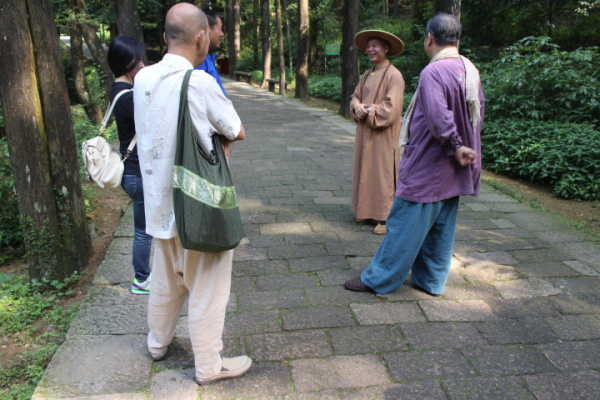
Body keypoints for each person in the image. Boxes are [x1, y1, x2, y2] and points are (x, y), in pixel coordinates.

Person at [133, 3, 251, 385]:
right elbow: (236, 128)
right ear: (201, 37)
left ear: (165, 36)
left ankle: (157, 344)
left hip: (158, 205)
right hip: (197, 205)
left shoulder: (142, 78)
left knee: (166, 282)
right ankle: (209, 365)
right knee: (208, 287)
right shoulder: (199, 82)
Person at [344, 13, 484, 296]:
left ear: (429, 38)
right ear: (457, 40)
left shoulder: (433, 72)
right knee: (440, 228)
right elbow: (476, 115)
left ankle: (379, 278)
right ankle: (431, 280)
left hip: (428, 164)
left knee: (402, 223)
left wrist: (455, 145)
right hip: (454, 168)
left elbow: (438, 116)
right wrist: (462, 149)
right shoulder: (469, 69)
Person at [107, 36, 153, 295]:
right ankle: (141, 279)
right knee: (144, 232)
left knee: (143, 229)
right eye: (139, 61)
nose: (143, 66)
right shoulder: (128, 97)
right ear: (126, 63)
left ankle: (144, 276)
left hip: (133, 173)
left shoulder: (118, 91)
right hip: (138, 174)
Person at [350, 30, 405, 235]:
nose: (370, 49)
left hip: (384, 136)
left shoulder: (394, 75)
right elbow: (355, 96)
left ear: (386, 48)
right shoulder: (367, 74)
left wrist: (368, 110)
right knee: (366, 170)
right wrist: (356, 106)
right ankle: (367, 211)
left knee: (383, 174)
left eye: (375, 45)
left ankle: (386, 217)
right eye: (368, 46)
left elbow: (392, 108)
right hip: (365, 133)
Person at [195, 9, 226, 95]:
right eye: (220, 29)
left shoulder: (207, 57)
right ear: (207, 29)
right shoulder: (198, 61)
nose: (222, 34)